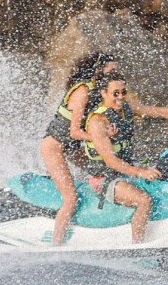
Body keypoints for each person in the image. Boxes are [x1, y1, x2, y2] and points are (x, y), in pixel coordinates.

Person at [83, 71, 168, 243]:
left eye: (123, 92)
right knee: (144, 200)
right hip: (104, 179)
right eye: (115, 93)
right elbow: (110, 161)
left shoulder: (126, 108)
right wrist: (140, 172)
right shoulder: (97, 121)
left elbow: (158, 112)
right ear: (103, 93)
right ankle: (137, 248)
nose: (120, 97)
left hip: (125, 172)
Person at [40, 52, 118, 245]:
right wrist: (99, 137)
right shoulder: (82, 91)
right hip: (55, 147)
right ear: (99, 70)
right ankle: (55, 245)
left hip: (72, 147)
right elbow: (75, 131)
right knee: (71, 198)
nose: (116, 73)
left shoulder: (100, 92)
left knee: (107, 171)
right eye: (112, 70)